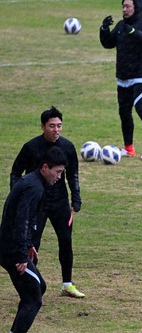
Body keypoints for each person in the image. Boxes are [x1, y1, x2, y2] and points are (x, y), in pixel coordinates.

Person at [10, 106, 84, 299]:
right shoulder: (31, 147)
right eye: (52, 126)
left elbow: (73, 174)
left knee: (66, 241)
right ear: (43, 126)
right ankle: (30, 285)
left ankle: (67, 284)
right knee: (33, 243)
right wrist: (19, 196)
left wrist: (76, 198)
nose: (56, 130)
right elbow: (15, 172)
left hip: (60, 203)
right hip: (37, 205)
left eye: (59, 126)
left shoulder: (67, 147)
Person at [1, 147, 67, 333]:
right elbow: (21, 221)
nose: (59, 177)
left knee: (38, 287)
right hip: (11, 250)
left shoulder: (33, 183)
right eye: (57, 172)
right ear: (45, 167)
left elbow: (24, 218)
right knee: (34, 297)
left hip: (13, 247)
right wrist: (21, 256)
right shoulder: (33, 188)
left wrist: (29, 244)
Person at [99, 0, 142, 160]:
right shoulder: (120, 26)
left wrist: (135, 33)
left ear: (137, 8)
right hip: (123, 77)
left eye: (128, 6)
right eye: (123, 6)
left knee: (141, 108)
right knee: (124, 112)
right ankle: (128, 148)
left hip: (140, 76)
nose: (124, 9)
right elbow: (108, 43)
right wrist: (104, 29)